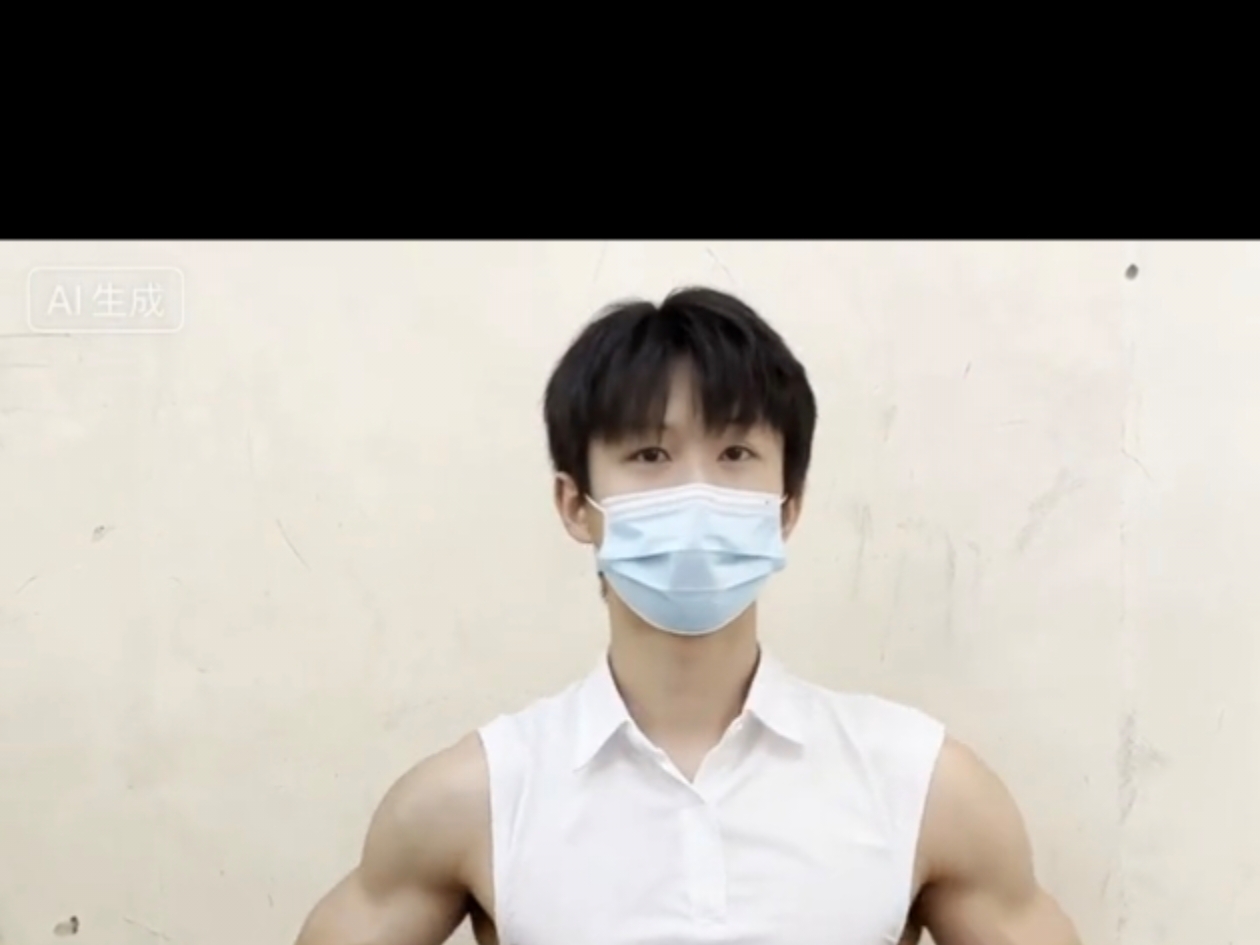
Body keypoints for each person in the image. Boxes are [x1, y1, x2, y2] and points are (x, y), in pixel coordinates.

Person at [294, 287, 1083, 945]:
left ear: (787, 506)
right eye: (650, 455)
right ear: (575, 504)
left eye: (736, 454)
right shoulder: (476, 797)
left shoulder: (922, 784)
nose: (696, 492)